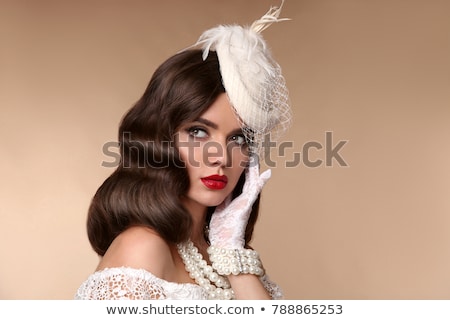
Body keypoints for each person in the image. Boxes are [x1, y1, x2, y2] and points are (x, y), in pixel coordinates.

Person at [75, 2, 292, 300]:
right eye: (199, 132)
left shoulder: (225, 256)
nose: (220, 156)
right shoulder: (142, 247)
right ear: (162, 138)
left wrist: (231, 251)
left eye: (238, 139)